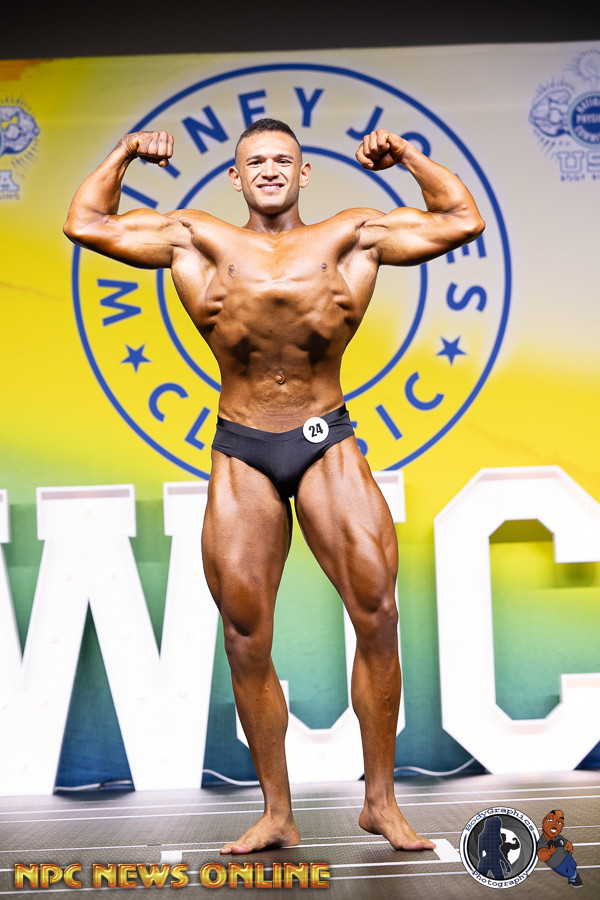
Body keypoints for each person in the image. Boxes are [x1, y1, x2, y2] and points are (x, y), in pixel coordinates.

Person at [64, 117, 485, 855]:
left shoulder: (351, 235)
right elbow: (86, 222)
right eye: (255, 161)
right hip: (243, 446)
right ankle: (276, 812)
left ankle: (380, 802)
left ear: (303, 172)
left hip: (326, 440)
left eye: (282, 160)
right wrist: (125, 151)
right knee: (245, 634)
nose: (268, 170)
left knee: (378, 611)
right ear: (235, 177)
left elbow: (461, 218)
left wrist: (408, 156)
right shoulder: (195, 239)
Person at [537, 809, 583, 887]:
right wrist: (549, 853)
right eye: (550, 819)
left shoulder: (558, 837)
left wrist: (570, 852)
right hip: (557, 863)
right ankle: (576, 878)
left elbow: (568, 844)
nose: (554, 824)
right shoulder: (542, 842)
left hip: (566, 856)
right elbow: (542, 856)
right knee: (569, 873)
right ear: (544, 821)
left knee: (573, 865)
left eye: (559, 822)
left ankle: (572, 880)